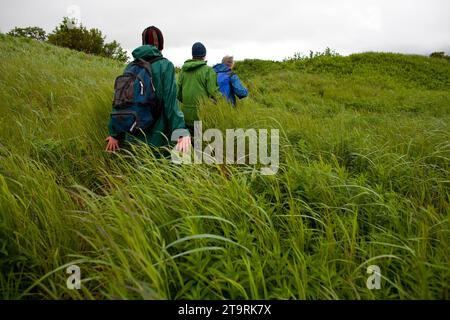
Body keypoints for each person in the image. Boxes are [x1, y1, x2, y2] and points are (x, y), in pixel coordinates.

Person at [106, 26, 190, 153]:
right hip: (158, 139)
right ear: (161, 44)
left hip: (133, 136)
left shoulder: (130, 66)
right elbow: (171, 104)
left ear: (143, 43)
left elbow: (120, 101)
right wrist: (181, 132)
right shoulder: (165, 66)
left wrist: (114, 134)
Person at [177, 42, 220, 135]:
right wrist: (223, 101)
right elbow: (214, 93)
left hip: (185, 115)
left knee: (188, 143)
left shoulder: (183, 71)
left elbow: (178, 94)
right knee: (200, 144)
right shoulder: (208, 70)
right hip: (202, 115)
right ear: (204, 55)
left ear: (193, 55)